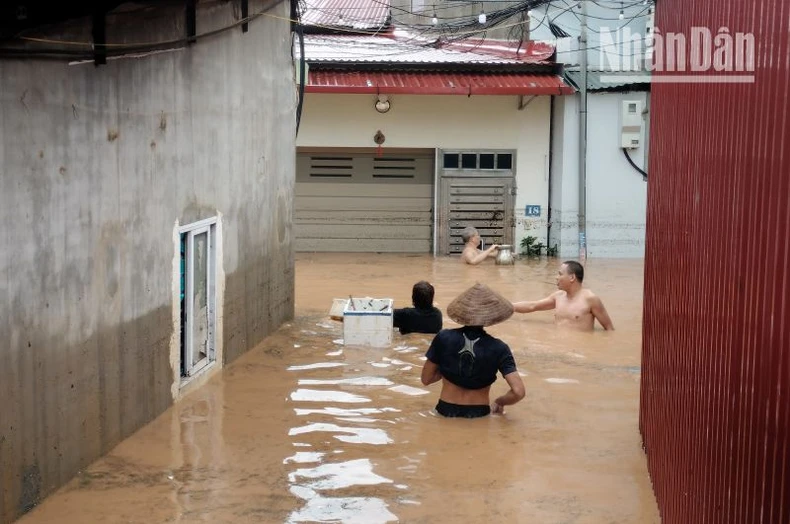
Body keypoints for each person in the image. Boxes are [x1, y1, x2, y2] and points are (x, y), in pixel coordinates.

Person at [421, 283, 525, 418]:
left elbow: (426, 379)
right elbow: (518, 392)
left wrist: (446, 368)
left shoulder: (444, 338)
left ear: (463, 312)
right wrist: (500, 402)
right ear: (491, 316)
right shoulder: (500, 348)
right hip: (479, 413)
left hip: (445, 410)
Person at [512, 260, 614, 331]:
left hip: (579, 352)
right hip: (557, 345)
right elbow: (532, 306)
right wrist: (506, 306)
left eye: (560, 274)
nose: (556, 277)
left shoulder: (591, 299)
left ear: (572, 277)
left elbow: (609, 329)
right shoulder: (558, 297)